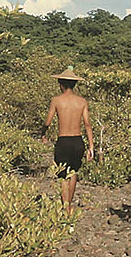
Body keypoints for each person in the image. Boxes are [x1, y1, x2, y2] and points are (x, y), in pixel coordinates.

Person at [40, 66, 94, 216]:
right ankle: (69, 206)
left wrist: (43, 134)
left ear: (61, 84)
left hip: (63, 141)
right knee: (73, 173)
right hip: (78, 141)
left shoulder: (56, 100)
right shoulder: (82, 101)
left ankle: (64, 207)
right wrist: (91, 146)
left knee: (63, 175)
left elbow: (48, 122)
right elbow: (87, 125)